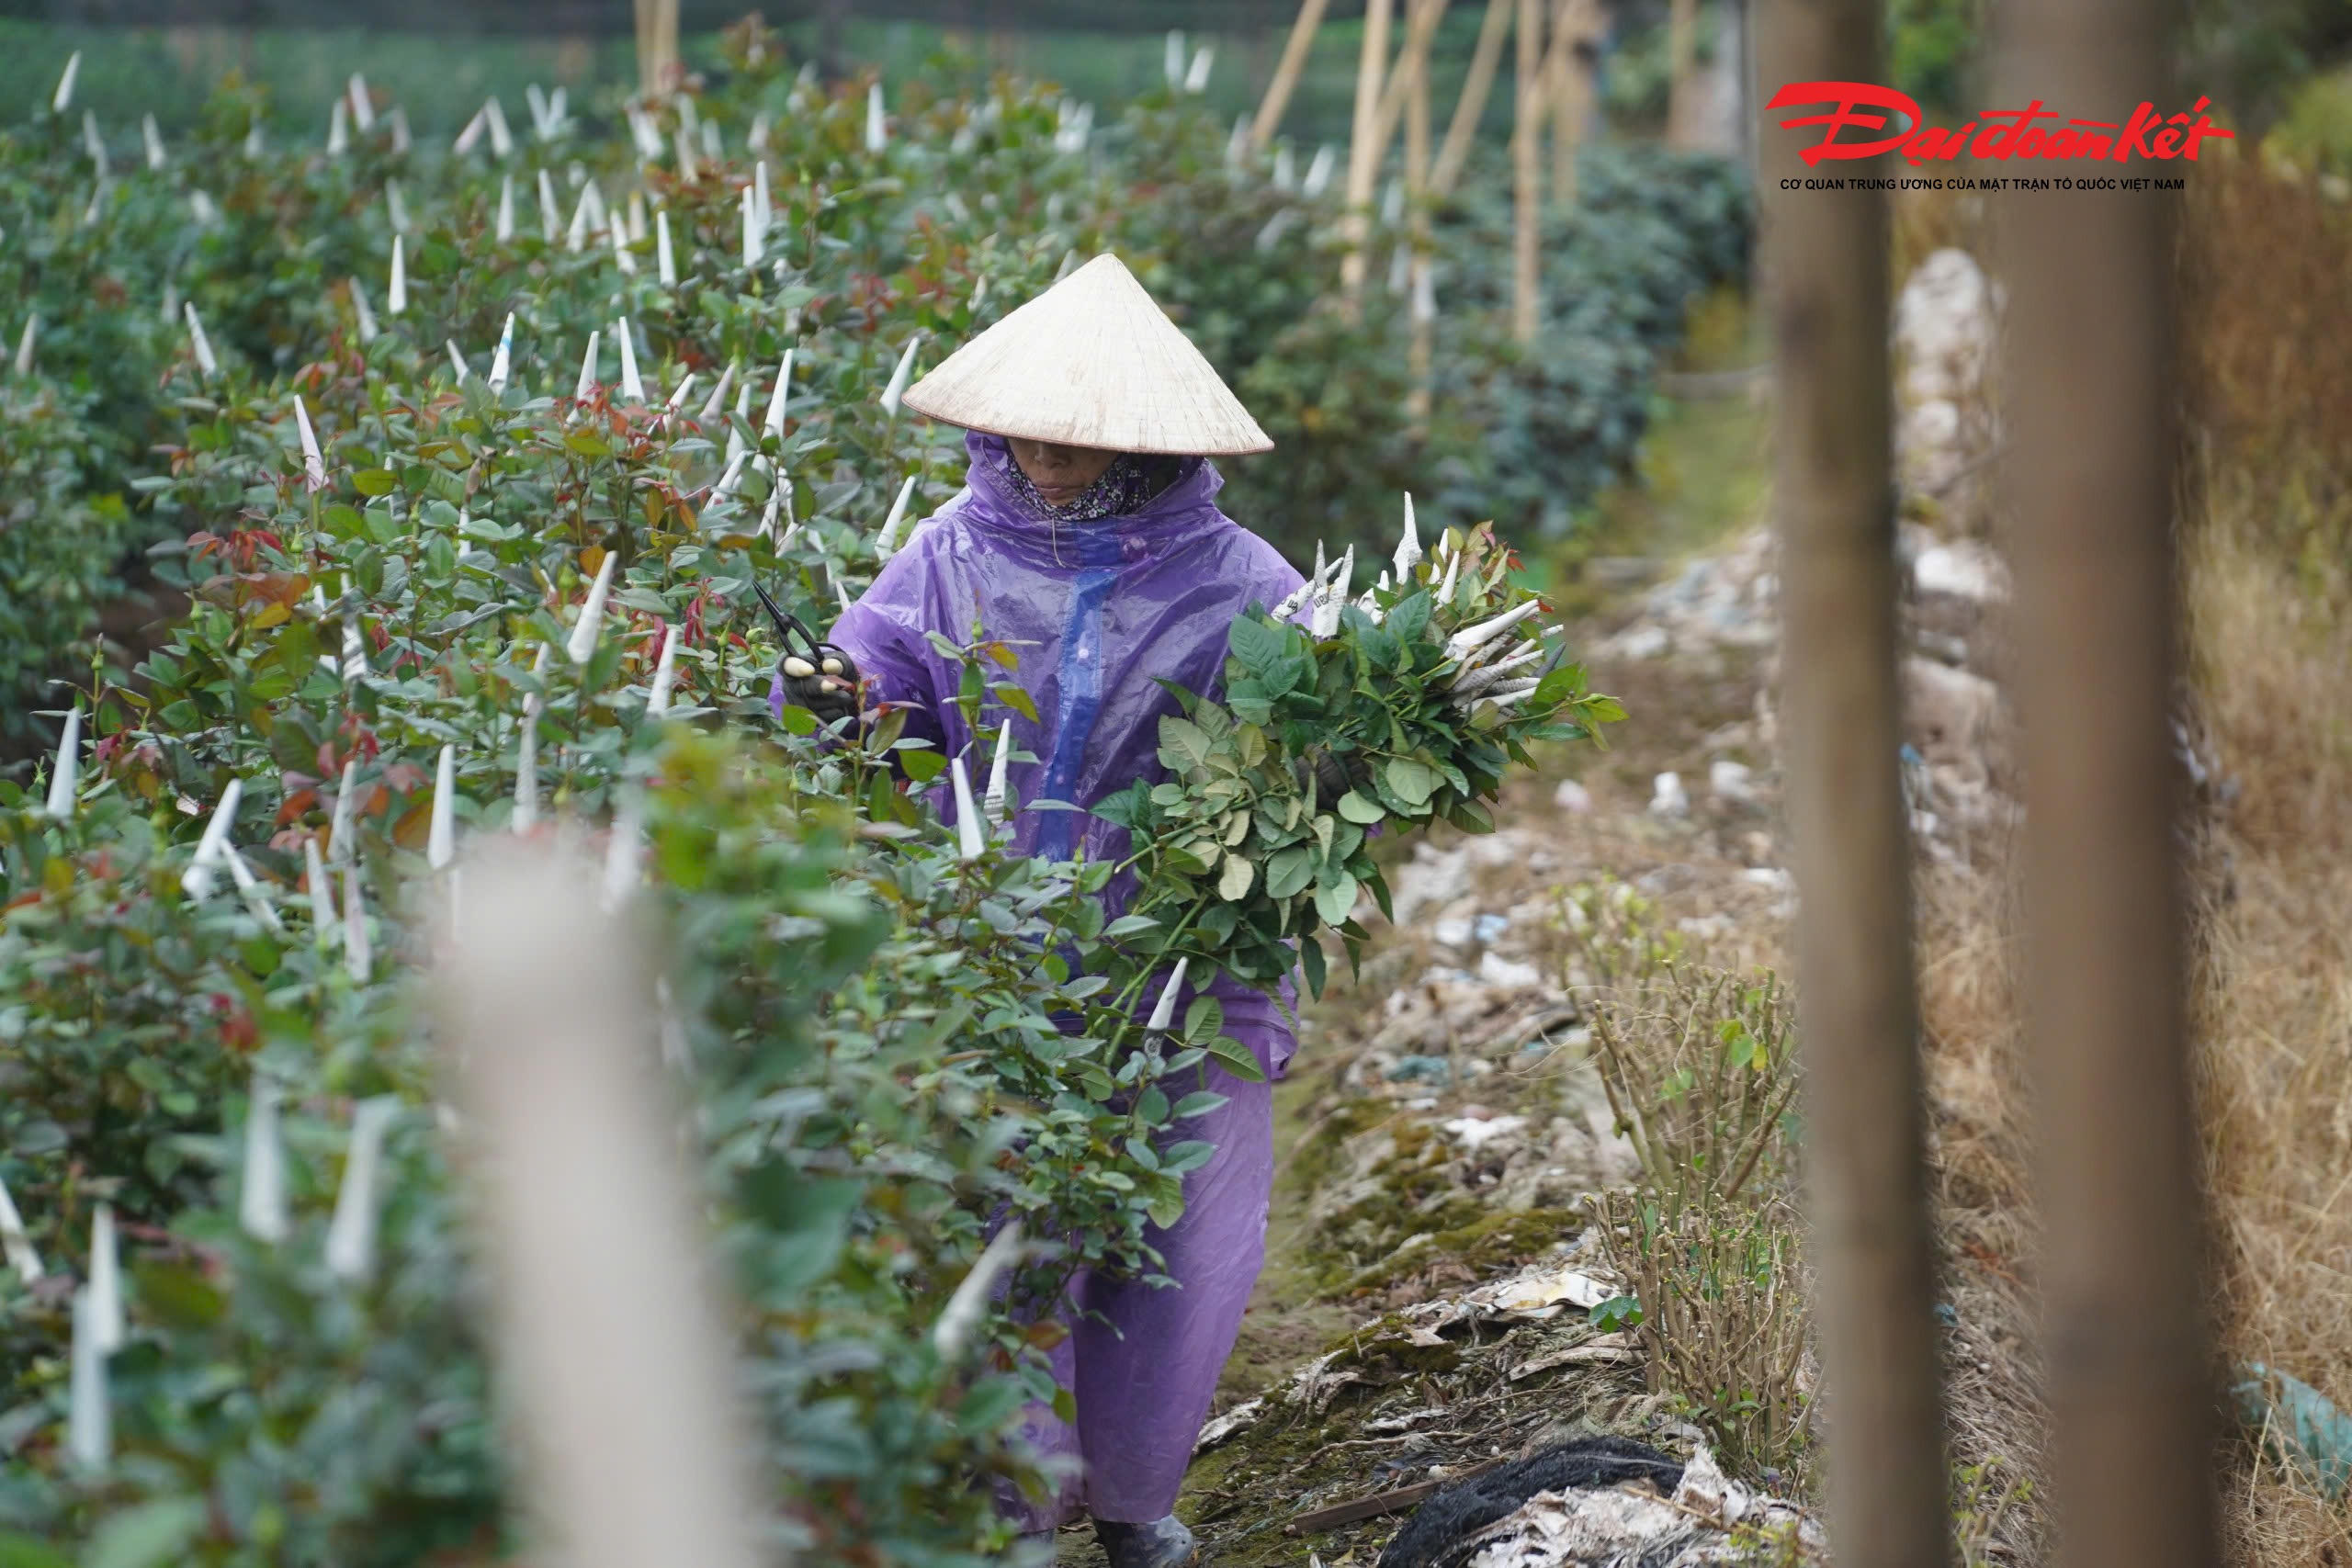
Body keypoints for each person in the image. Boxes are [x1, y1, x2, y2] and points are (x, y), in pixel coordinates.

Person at [773, 254, 1351, 1566]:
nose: (1043, 457)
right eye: (1028, 433)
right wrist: (831, 698)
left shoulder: (1237, 574)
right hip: (991, 935)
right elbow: (878, 682)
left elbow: (1324, 726)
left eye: (1075, 442)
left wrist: (1355, 731)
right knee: (1001, 1211)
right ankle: (1014, 1501)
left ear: (1137, 442)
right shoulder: (947, 549)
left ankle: (1138, 1499)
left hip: (1185, 948)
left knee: (1180, 1227)